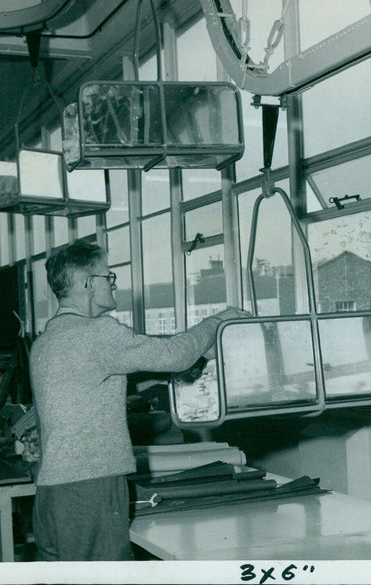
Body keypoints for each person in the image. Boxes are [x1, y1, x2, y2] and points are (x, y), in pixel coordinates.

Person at [29, 239, 248, 561]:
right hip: (90, 487)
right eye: (109, 276)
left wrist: (168, 376)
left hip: (53, 491)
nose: (114, 283)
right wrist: (217, 322)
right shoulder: (97, 333)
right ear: (89, 283)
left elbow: (95, 387)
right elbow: (174, 354)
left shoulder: (48, 341)